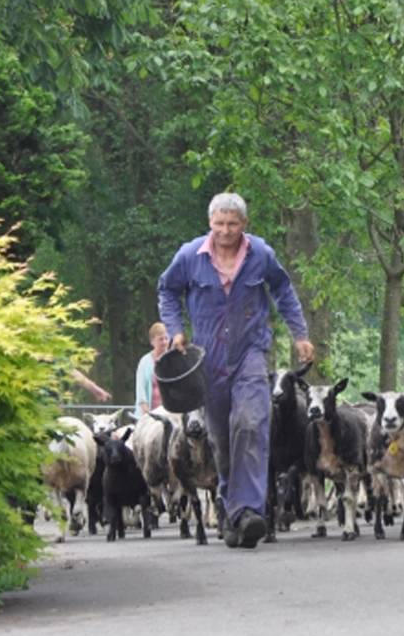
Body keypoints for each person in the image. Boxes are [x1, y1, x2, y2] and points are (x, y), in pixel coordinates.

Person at [158, 192, 314, 549]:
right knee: (221, 439)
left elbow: (283, 291)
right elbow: (167, 290)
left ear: (244, 224)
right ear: (209, 223)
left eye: (232, 224)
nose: (226, 231)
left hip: (251, 352)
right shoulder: (190, 256)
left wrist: (300, 334)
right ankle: (232, 512)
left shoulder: (261, 254)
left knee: (251, 423)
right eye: (219, 224)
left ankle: (249, 511)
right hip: (208, 359)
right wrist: (175, 329)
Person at [135, 322, 170, 417]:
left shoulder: (173, 360)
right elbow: (140, 388)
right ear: (152, 341)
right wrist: (145, 410)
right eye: (161, 339)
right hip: (149, 411)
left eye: (166, 338)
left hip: (169, 412)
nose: (164, 342)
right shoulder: (145, 362)